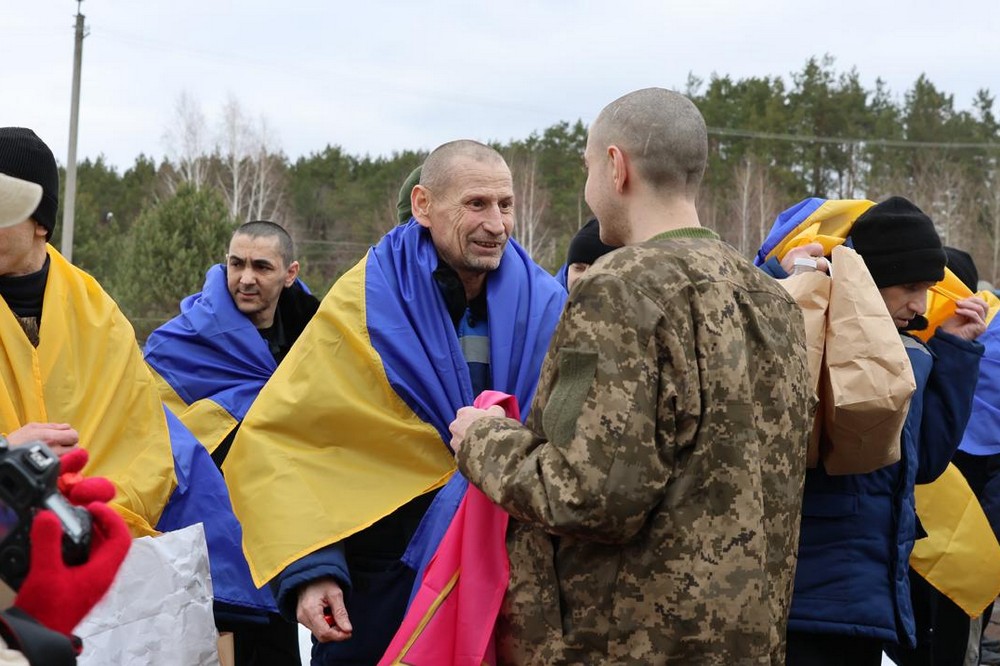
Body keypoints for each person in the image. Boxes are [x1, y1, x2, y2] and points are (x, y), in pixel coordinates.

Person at [448, 88, 814, 664]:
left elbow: (587, 495)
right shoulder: (773, 299)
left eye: (589, 167)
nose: (589, 185)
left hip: (624, 642)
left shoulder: (621, 288)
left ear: (616, 167)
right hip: (746, 641)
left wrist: (482, 440)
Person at [223, 140, 566, 664]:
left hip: (508, 579)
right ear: (424, 205)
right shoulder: (364, 302)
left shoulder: (548, 308)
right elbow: (289, 442)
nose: (496, 224)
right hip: (377, 582)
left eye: (505, 204)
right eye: (476, 204)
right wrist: (313, 571)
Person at [0, 127, 261, 642]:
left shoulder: (99, 314)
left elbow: (141, 439)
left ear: (40, 223)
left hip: (98, 568)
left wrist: (87, 513)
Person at [764, 198, 988, 665]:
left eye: (927, 289)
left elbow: (923, 462)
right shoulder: (808, 332)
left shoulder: (909, 353)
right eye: (909, 287)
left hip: (868, 595)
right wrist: (790, 291)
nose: (920, 304)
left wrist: (956, 353)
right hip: (804, 598)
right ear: (868, 279)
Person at [143, 220, 319, 665]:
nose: (245, 278)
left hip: (283, 534)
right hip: (206, 532)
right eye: (236, 264)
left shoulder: (316, 345)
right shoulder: (180, 341)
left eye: (262, 267)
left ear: (290, 273)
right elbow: (147, 425)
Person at [556, 216, 618, 290]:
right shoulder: (548, 298)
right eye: (579, 268)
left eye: (596, 271)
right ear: (568, 270)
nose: (584, 278)